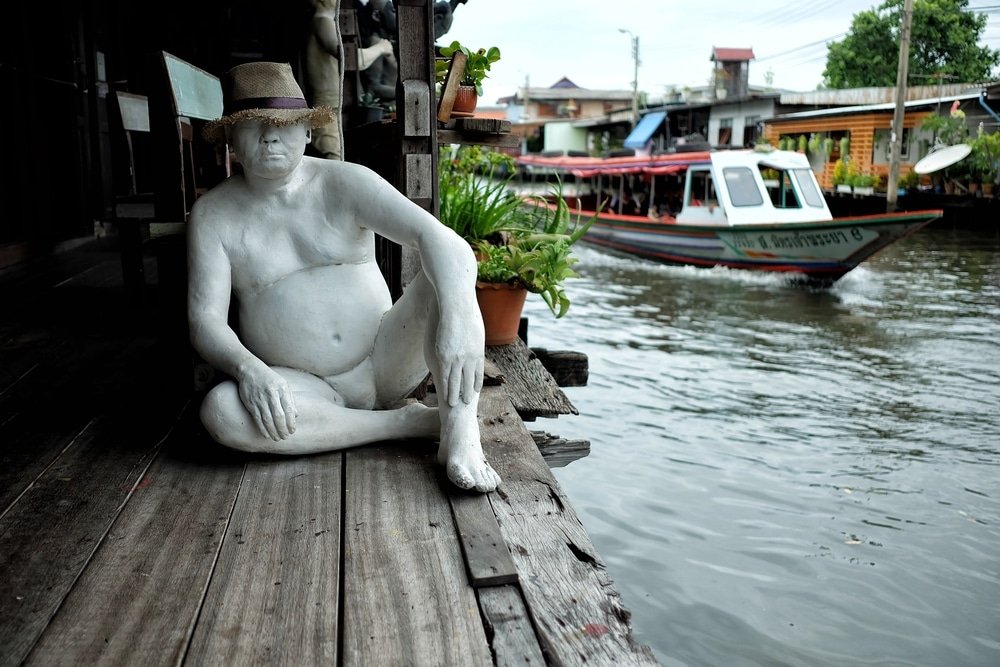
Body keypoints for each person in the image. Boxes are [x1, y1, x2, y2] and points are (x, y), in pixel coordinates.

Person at [190, 61, 499, 493]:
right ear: (229, 137)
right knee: (221, 412)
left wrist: (462, 315)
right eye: (252, 124)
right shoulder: (213, 216)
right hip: (303, 386)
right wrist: (249, 370)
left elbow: (441, 239)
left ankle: (461, 430)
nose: (270, 135)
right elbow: (205, 319)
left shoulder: (346, 182)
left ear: (308, 132)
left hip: (385, 356)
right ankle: (405, 424)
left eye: (283, 123)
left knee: (445, 274)